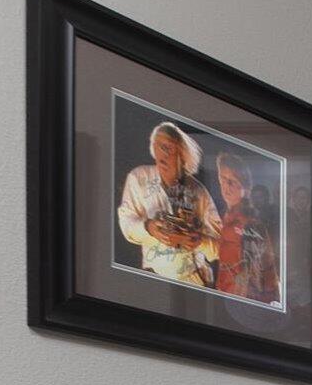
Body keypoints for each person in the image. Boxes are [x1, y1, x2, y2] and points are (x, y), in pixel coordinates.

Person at [114, 120, 221, 290]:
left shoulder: (199, 192)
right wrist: (149, 227)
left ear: (183, 154)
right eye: (157, 147)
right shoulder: (138, 178)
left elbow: (220, 244)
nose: (161, 154)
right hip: (155, 281)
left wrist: (199, 241)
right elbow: (126, 222)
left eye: (168, 148)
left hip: (197, 283)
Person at [207, 152, 277, 302]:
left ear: (245, 187)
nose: (226, 186)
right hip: (220, 294)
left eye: (233, 181)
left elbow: (265, 267)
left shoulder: (252, 223)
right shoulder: (218, 216)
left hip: (241, 300)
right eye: (223, 180)